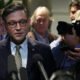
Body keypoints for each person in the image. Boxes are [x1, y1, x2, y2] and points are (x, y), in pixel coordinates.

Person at [0, 3, 56, 80]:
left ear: (29, 22)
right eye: (12, 23)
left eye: (22, 22)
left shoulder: (44, 51)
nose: (18, 28)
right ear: (5, 26)